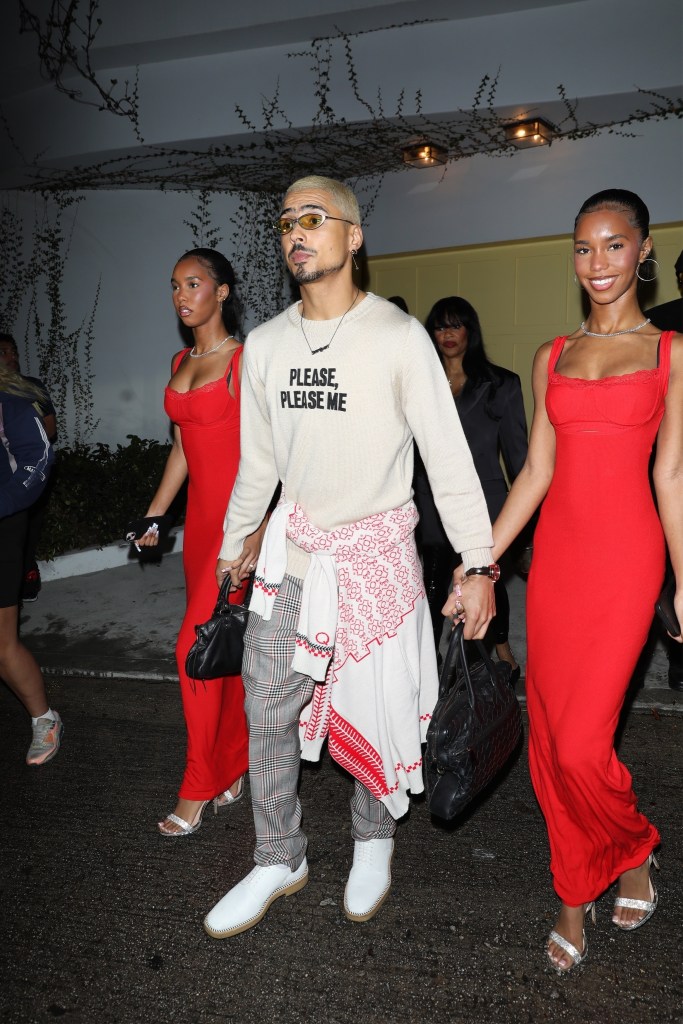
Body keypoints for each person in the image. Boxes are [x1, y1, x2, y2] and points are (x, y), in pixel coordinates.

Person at [203, 174, 495, 939]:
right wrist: (233, 547)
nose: (295, 232)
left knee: (376, 709)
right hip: (293, 557)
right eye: (285, 222)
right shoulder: (264, 346)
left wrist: (478, 563)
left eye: (313, 218)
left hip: (375, 559)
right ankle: (278, 856)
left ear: (353, 236)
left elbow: (448, 459)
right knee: (265, 705)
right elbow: (256, 466)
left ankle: (373, 840)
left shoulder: (398, 338)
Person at [445, 189, 682, 974]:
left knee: (582, 744)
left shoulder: (670, 353)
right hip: (557, 567)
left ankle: (634, 845)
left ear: (643, 250)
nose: (598, 263)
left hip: (625, 562)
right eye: (583, 248)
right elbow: (535, 472)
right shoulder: (553, 355)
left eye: (614, 245)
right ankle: (573, 894)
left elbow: (672, 475)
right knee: (549, 738)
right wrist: (480, 561)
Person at [133, 248, 266, 837]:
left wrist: (257, 533)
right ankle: (234, 761)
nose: (182, 296)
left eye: (194, 284)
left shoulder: (247, 361)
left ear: (223, 292)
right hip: (197, 536)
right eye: (174, 285)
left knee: (191, 649)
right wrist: (157, 513)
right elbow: (184, 447)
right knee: (222, 652)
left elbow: (273, 454)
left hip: (236, 532)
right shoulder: (181, 359)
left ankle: (197, 786)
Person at [414, 296, 528, 676]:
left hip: (484, 505)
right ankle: (430, 671)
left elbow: (520, 460)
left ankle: (500, 648)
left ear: (470, 331)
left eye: (455, 325)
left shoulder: (500, 385)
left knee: (483, 583)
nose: (447, 334)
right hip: (428, 505)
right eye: (440, 326)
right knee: (431, 588)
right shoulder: (418, 384)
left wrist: (527, 525)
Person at [0, 365, 60, 764]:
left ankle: (45, 719)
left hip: (2, 525)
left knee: (2, 645)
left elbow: (38, 459)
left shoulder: (9, 403)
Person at [646, 250, 683, 691]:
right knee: (672, 560)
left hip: (666, 456)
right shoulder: (660, 325)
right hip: (668, 458)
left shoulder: (660, 321)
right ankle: (677, 658)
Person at [0, 333, 57, 602]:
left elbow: (49, 430)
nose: (12, 357)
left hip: (25, 474)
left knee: (27, 531)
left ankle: (28, 575)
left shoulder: (30, 387)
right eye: (4, 352)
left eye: (14, 351)